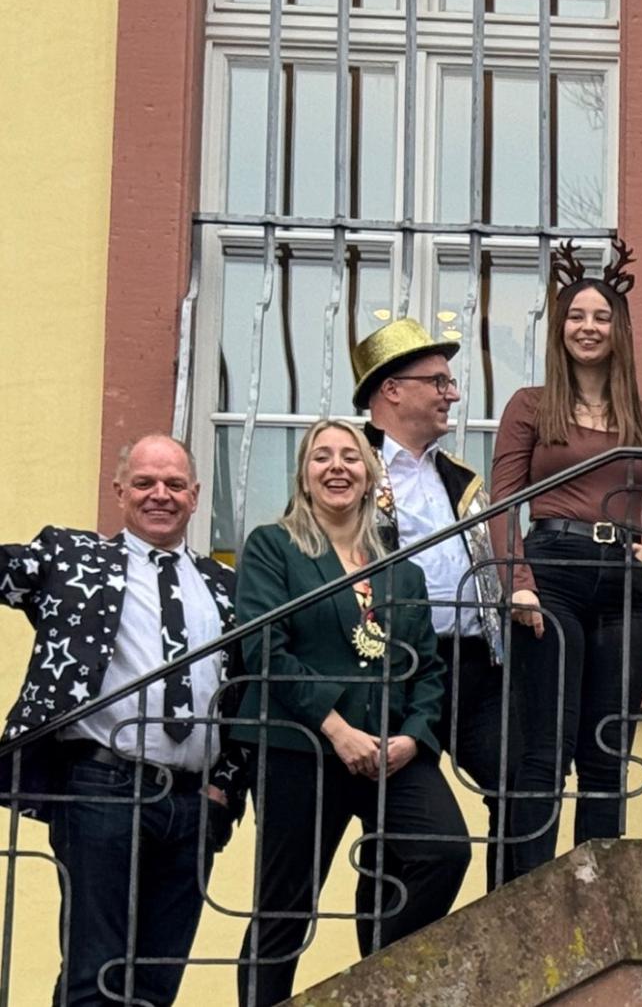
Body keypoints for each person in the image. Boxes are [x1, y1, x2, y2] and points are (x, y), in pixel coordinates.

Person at [0, 436, 240, 1007]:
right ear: (119, 492)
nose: (161, 495)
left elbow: (246, 695)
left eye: (175, 485)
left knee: (157, 984)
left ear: (195, 495)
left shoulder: (225, 586)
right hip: (103, 788)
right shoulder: (71, 558)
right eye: (145, 483)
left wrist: (224, 788)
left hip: (192, 803)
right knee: (95, 975)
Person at [235, 418, 468, 1007]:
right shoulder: (273, 546)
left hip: (391, 750)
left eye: (351, 457)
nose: (337, 467)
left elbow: (428, 668)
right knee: (286, 904)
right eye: (322, 458)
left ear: (370, 478)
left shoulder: (403, 571)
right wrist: (337, 729)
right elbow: (263, 647)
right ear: (305, 477)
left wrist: (414, 737)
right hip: (301, 746)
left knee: (443, 849)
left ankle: (374, 985)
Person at [486, 246, 642, 881]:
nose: (588, 327)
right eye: (575, 317)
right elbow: (502, 504)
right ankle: (527, 893)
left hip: (627, 586)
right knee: (546, 749)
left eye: (600, 317)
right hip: (553, 571)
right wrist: (516, 582)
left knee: (607, 752)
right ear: (560, 329)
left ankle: (597, 895)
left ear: (618, 330)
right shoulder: (531, 405)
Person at [349, 317, 510, 881]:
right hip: (393, 664)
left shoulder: (460, 476)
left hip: (471, 663)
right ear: (392, 389)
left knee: (517, 784)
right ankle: (383, 956)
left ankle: (510, 921)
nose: (454, 394)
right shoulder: (349, 466)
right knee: (398, 827)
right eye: (439, 382)